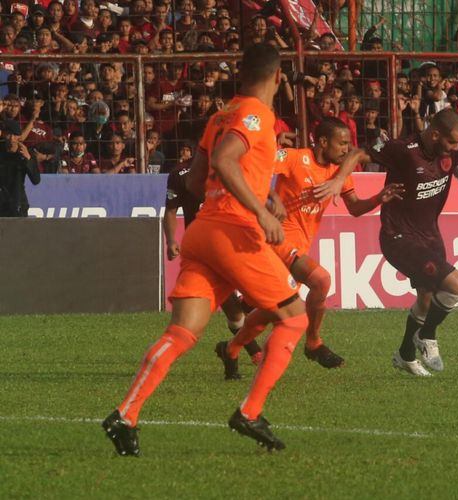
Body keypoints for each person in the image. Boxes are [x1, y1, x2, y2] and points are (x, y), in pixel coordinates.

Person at [102, 43, 311, 456]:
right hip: (234, 231)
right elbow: (226, 160)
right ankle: (250, 412)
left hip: (203, 229)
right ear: (278, 77)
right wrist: (261, 210)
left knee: (181, 332)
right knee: (294, 317)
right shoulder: (258, 114)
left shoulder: (220, 115)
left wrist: (255, 194)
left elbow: (197, 181)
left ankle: (125, 414)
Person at [335, 108, 458, 376]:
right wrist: (338, 181)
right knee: (456, 285)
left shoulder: (452, 151)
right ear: (435, 134)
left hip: (429, 235)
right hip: (397, 236)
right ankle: (427, 335)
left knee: (426, 299)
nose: (456, 148)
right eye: (452, 142)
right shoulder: (403, 149)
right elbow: (358, 152)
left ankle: (405, 355)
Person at [216, 117, 404, 377]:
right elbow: (251, 168)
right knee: (321, 280)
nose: (345, 149)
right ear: (323, 142)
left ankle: (231, 349)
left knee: (271, 309)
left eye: (348, 144)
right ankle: (314, 343)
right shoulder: (294, 158)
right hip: (276, 240)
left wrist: (378, 199)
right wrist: (270, 200)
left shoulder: (339, 174)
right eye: (341, 143)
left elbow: (355, 209)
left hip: (300, 246)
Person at [163, 159, 264, 369]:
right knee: (234, 312)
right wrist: (172, 240)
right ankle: (254, 353)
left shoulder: (231, 165)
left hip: (234, 240)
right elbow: (171, 210)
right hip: (204, 248)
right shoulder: (180, 174)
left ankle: (230, 348)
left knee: (258, 296)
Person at [0, 119, 40, 216]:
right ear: (4, 134)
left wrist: (28, 159)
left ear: (19, 136)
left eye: (15, 135)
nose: (11, 138)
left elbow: (36, 180)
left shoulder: (26, 153)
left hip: (18, 203)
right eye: (9, 134)